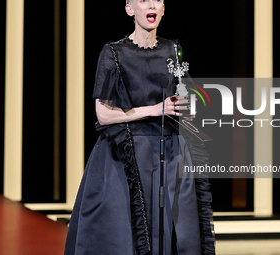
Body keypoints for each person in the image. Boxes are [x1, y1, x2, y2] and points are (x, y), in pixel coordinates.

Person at [64, 0, 215, 254]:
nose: (151, 6)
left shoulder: (173, 49)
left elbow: (187, 100)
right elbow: (103, 115)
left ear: (164, 8)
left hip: (170, 155)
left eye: (157, 0)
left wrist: (189, 107)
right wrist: (156, 109)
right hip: (128, 158)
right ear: (129, 9)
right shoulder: (113, 52)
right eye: (143, 0)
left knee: (180, 234)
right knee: (126, 237)